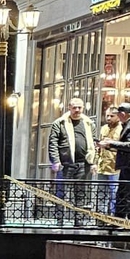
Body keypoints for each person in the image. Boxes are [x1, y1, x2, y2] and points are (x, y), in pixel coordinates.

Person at [47, 97, 97, 226]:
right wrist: (56, 161)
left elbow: (94, 144)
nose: (77, 110)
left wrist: (93, 162)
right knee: (61, 193)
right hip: (65, 164)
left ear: (83, 108)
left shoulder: (88, 123)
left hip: (83, 164)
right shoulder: (60, 123)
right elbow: (53, 143)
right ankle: (59, 221)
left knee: (80, 193)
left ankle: (78, 221)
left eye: (79, 107)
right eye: (74, 107)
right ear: (69, 107)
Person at [98, 102, 130, 220]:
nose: (117, 116)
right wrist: (107, 145)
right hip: (127, 164)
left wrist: (111, 143)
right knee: (122, 194)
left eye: (118, 114)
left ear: (123, 114)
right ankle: (118, 220)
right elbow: (124, 145)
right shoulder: (128, 124)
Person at [97, 106, 122, 215]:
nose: (108, 118)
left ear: (118, 117)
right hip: (102, 166)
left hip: (115, 167)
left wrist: (109, 144)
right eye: (107, 115)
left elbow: (123, 147)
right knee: (101, 194)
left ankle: (113, 217)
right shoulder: (103, 128)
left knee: (114, 194)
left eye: (112, 116)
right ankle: (101, 217)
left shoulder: (122, 129)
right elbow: (99, 147)